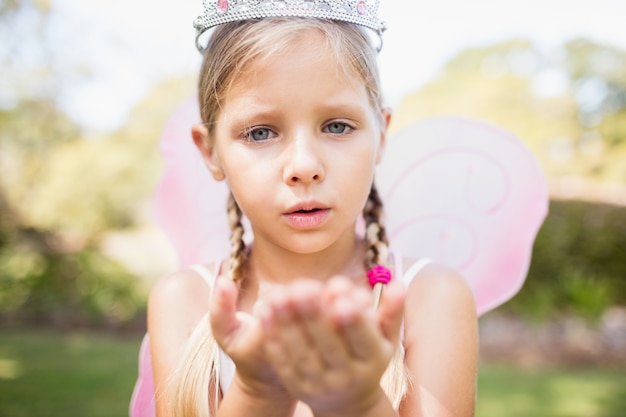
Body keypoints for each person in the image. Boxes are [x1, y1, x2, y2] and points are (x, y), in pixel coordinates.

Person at [142, 2, 478, 416]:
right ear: (211, 151)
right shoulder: (187, 301)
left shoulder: (428, 297)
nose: (304, 166)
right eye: (261, 132)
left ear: (382, 135)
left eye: (337, 126)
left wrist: (358, 403)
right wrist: (258, 392)